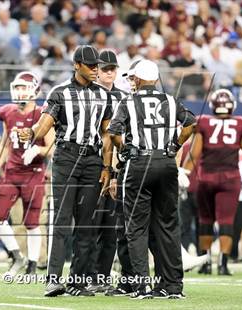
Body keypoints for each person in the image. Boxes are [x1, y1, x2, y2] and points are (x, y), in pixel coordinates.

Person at [18, 45, 113, 297]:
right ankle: (53, 279)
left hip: (93, 159)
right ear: (76, 65)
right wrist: (32, 134)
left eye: (97, 66)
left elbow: (106, 134)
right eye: (90, 65)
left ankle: (78, 282)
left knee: (86, 224)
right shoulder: (60, 92)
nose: (96, 69)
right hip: (67, 157)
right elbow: (45, 122)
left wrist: (107, 166)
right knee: (61, 220)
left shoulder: (104, 95)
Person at [108, 59, 196, 299]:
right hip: (166, 163)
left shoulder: (128, 101)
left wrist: (124, 149)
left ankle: (141, 286)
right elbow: (191, 124)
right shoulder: (169, 100)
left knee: (136, 227)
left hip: (138, 164)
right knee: (168, 226)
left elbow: (113, 132)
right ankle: (173, 286)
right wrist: (175, 146)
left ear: (137, 78)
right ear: (156, 79)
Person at [0, 72, 54, 277]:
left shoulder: (44, 113)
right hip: (11, 173)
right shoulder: (7, 112)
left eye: (24, 88)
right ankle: (17, 255)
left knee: (32, 222)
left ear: (34, 90)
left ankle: (32, 264)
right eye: (17, 88)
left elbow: (51, 147)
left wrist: (37, 150)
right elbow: (6, 143)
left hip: (33, 173)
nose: (20, 92)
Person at [183, 89, 242, 276]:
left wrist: (183, 173)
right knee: (226, 221)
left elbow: (194, 153)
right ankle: (223, 264)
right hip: (230, 178)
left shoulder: (204, 122)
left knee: (205, 220)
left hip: (205, 178)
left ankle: (205, 263)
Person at [87, 50, 128, 293]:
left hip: (116, 167)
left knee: (111, 226)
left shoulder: (124, 97)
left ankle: (102, 276)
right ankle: (87, 275)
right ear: (96, 70)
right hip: (92, 164)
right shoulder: (87, 95)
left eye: (113, 68)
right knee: (89, 224)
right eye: (105, 68)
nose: (109, 72)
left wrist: (115, 170)